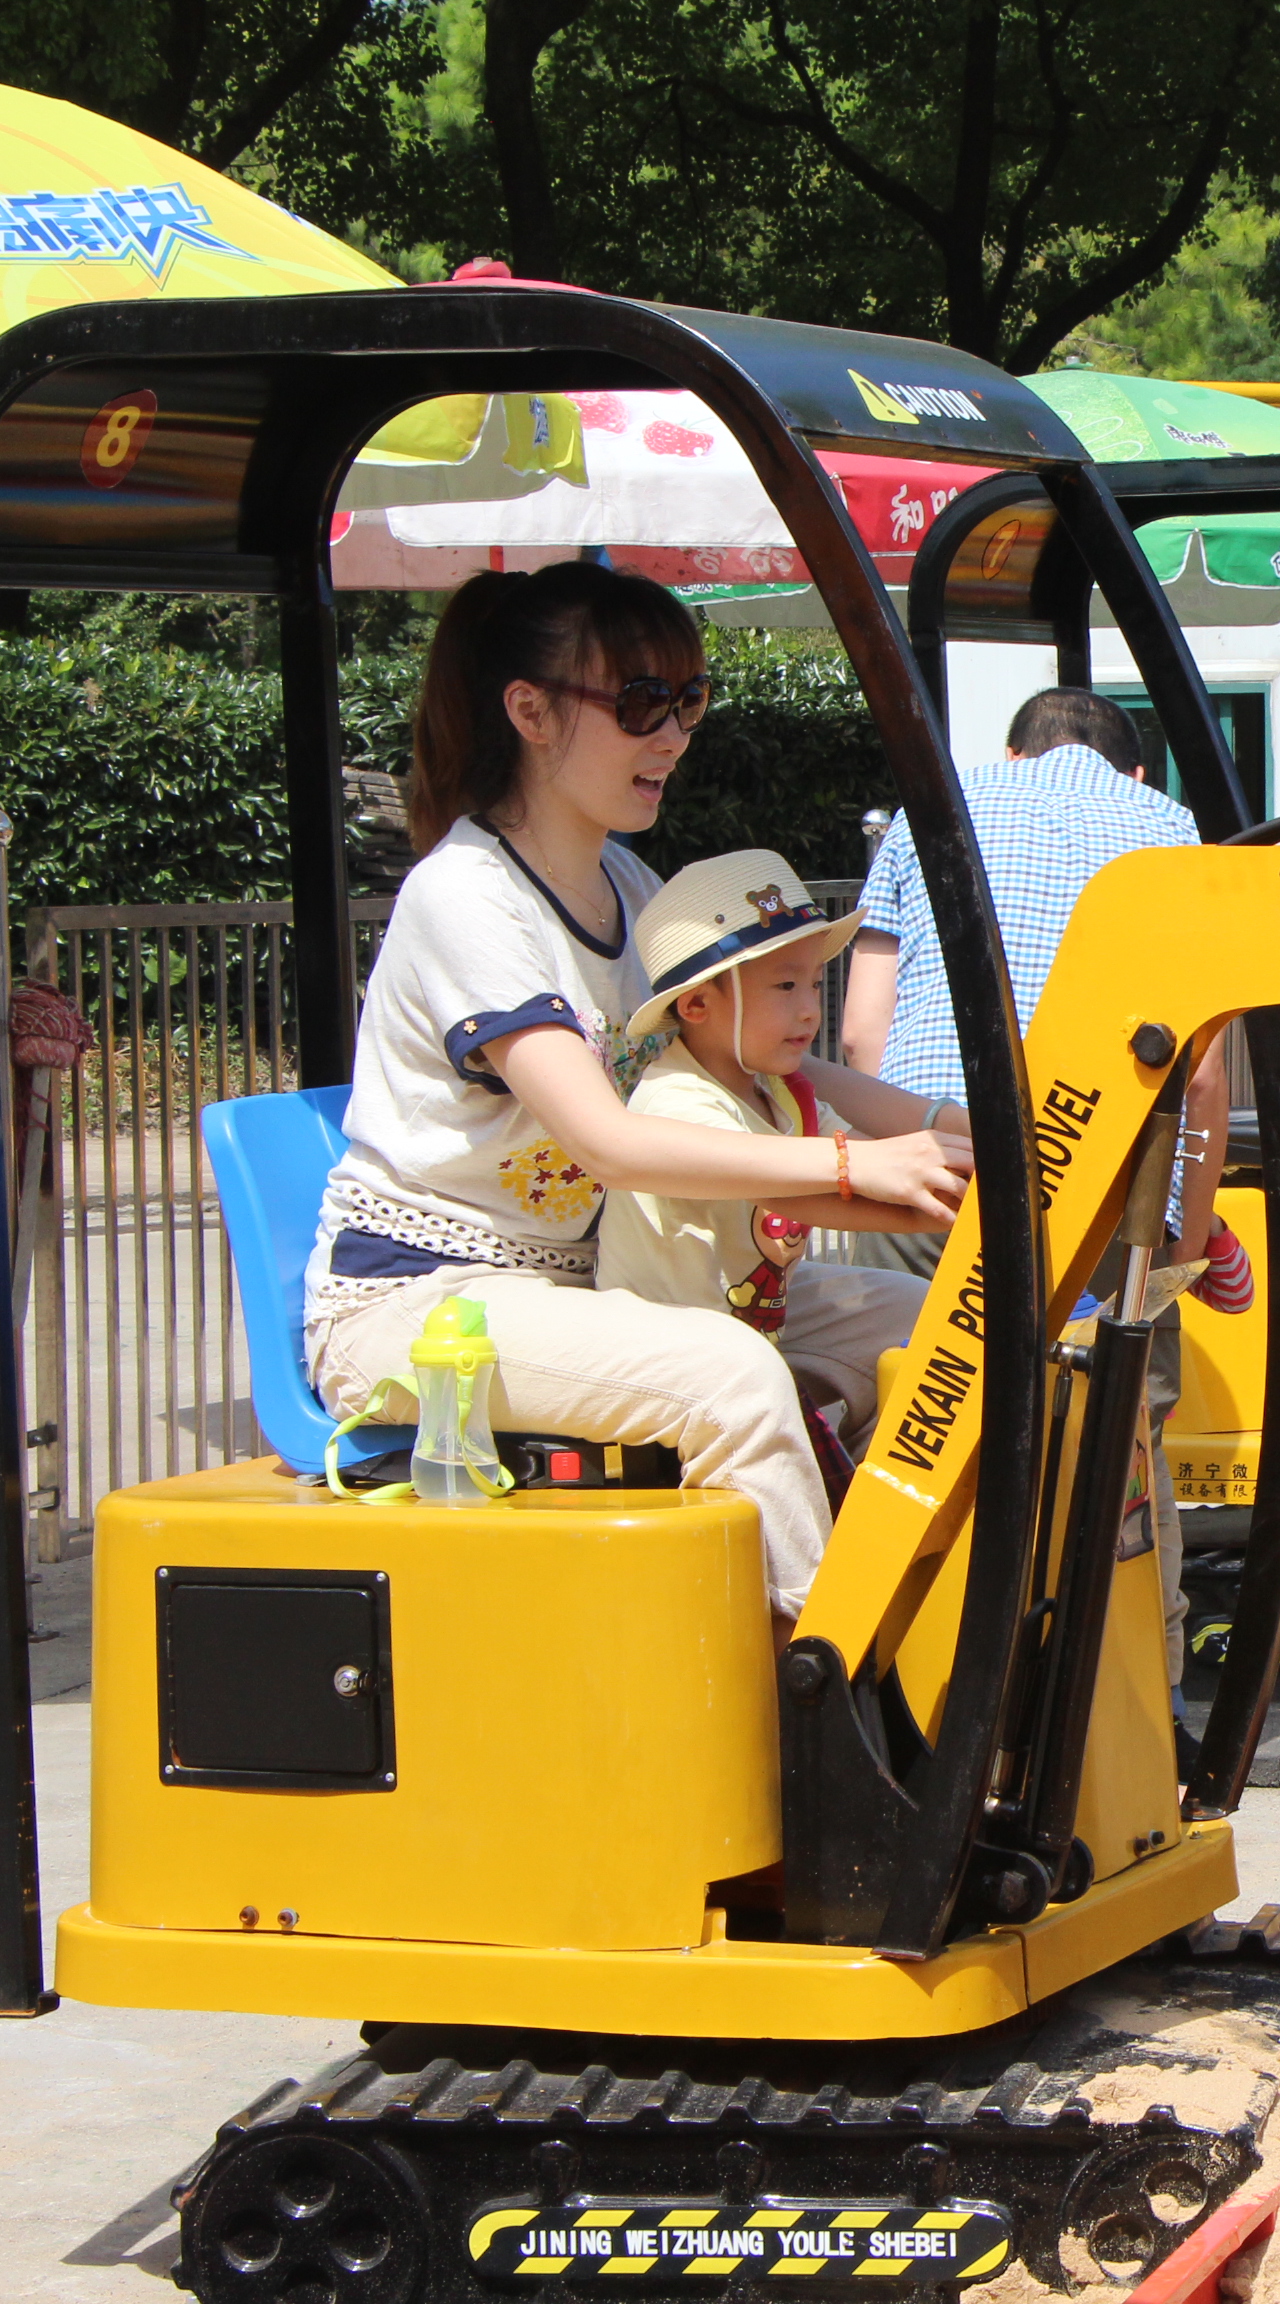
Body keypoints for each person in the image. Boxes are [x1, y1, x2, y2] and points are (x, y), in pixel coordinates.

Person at [303, 565, 966, 1626]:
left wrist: (951, 1131)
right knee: (732, 1378)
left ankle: (952, 1632)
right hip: (425, 1311)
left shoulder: (627, 886)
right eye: (641, 705)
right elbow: (607, 1140)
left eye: (689, 702)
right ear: (529, 710)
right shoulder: (465, 896)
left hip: (600, 1281)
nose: (674, 735)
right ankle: (825, 1694)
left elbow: (769, 1060)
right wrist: (851, 1165)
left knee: (952, 1324)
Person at [838, 686, 1240, 1706]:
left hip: (921, 1160)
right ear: (1136, 770)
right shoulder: (1168, 827)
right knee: (1117, 1450)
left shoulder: (938, 810)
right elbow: (1198, 1071)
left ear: (1012, 754)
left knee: (916, 1430)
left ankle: (920, 1698)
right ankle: (1138, 1715)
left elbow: (856, 1038)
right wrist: (1182, 1239)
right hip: (1097, 1174)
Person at [595, 851, 933, 1484]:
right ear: (696, 1006)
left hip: (754, 1316)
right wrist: (924, 1190)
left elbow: (855, 1147)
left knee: (917, 1309)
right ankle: (807, 1578)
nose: (811, 1008)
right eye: (785, 986)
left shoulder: (775, 1090)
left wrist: (963, 1173)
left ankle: (893, 1483)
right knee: (747, 1375)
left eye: (812, 983)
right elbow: (806, 1189)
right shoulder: (678, 1100)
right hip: (671, 1342)